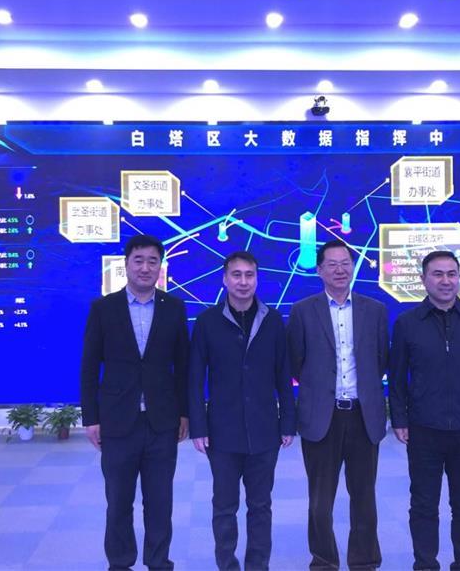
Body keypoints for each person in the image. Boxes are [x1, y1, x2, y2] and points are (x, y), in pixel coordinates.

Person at [80, 234, 190, 571]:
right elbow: (89, 366)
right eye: (138, 260)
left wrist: (185, 413)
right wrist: (91, 418)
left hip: (161, 422)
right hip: (117, 422)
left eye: (152, 261)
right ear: (126, 265)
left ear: (160, 267)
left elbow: (183, 366)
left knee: (160, 503)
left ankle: (158, 563)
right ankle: (120, 563)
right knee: (118, 503)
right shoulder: (103, 308)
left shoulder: (174, 308)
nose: (145, 267)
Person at [388, 250, 460, 571]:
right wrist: (399, 418)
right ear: (424, 279)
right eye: (437, 274)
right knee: (423, 505)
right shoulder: (407, 324)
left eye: (452, 274)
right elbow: (396, 378)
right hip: (424, 429)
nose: (446, 281)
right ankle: (425, 564)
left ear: (459, 278)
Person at [188, 250, 296, 571]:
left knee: (260, 506)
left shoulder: (273, 321)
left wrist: (287, 422)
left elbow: (283, 374)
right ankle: (227, 565)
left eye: (249, 275)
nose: (243, 281)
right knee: (224, 507)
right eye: (236, 275)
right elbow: (195, 379)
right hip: (222, 432)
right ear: (225, 279)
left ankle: (257, 566)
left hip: (265, 430)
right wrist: (198, 426)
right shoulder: (207, 322)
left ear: (257, 279)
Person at [287, 239, 389, 570]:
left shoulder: (375, 310)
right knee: (320, 502)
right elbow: (296, 363)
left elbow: (380, 361)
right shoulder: (303, 311)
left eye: (345, 263)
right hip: (322, 417)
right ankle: (323, 561)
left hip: (362, 415)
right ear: (319, 270)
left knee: (364, 498)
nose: (340, 269)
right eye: (332, 264)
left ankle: (364, 561)